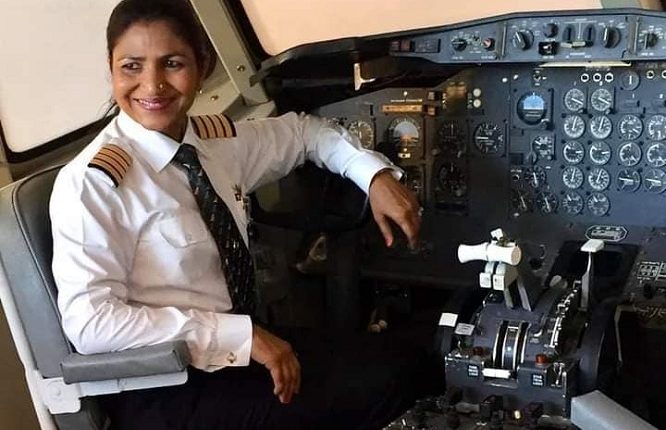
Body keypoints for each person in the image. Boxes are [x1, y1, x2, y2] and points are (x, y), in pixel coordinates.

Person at [50, 0, 427, 428]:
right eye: (131, 66)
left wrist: (374, 176)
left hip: (239, 354)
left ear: (202, 66)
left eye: (172, 63)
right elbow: (91, 323)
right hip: (165, 387)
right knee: (385, 384)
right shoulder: (94, 183)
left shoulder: (212, 144)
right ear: (111, 68)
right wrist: (240, 337)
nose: (152, 85)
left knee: (409, 359)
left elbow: (305, 133)